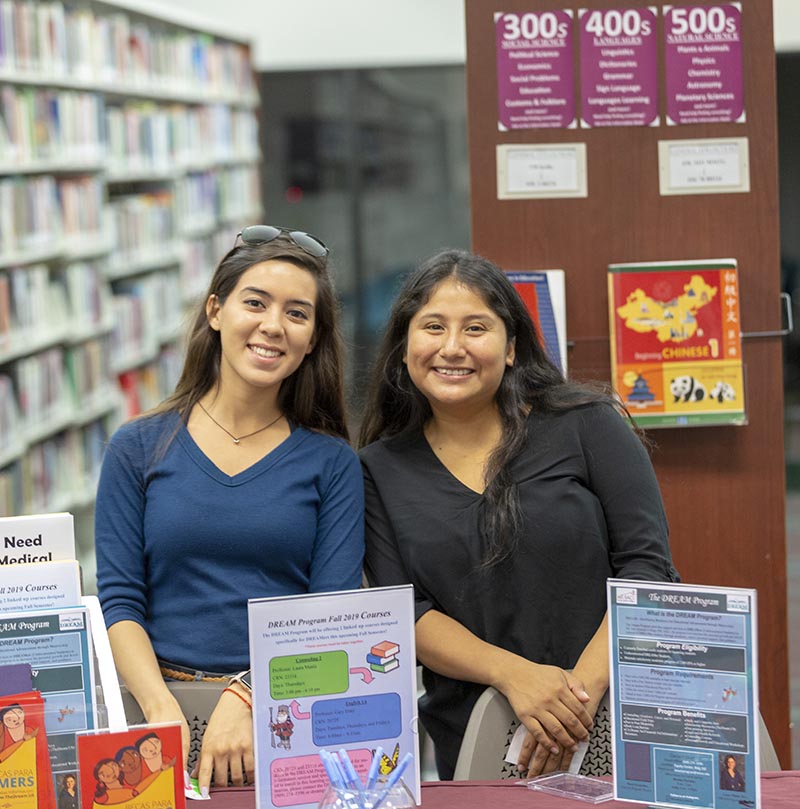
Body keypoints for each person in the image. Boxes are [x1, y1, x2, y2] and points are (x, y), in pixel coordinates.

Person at [358, 250, 679, 780]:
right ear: (404, 348)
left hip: (617, 717)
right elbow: (404, 615)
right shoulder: (376, 469)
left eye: (476, 328)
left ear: (511, 348)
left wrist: (573, 699)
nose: (452, 347)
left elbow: (648, 568)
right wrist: (516, 677)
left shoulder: (588, 424)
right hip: (474, 736)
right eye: (433, 327)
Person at [95, 226, 365, 794]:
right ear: (216, 311)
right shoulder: (138, 447)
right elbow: (120, 600)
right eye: (255, 302)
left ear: (312, 339)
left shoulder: (332, 462)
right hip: (156, 707)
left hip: (287, 712)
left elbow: (329, 616)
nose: (273, 326)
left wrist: (249, 695)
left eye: (297, 313)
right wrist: (161, 710)